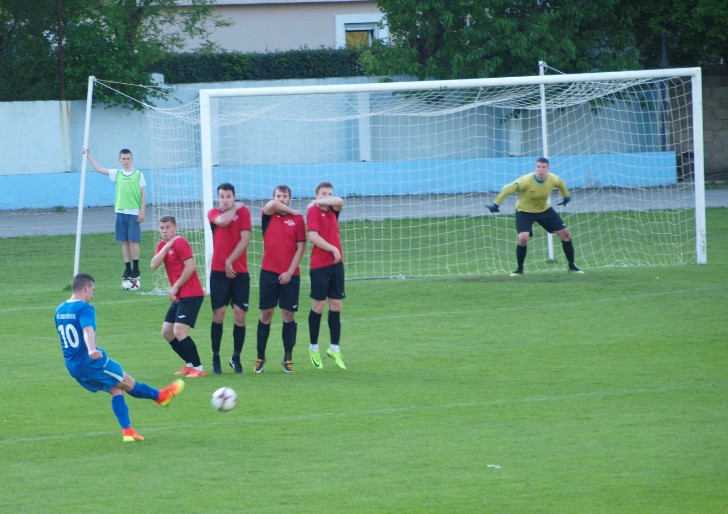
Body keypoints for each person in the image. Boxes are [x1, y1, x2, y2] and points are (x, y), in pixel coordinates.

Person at [54, 273, 184, 443]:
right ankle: (160, 396)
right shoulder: (84, 309)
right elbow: (88, 330)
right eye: (92, 290)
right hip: (91, 363)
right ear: (85, 288)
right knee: (128, 382)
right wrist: (92, 350)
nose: (92, 294)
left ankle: (128, 431)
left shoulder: (60, 310)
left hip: (73, 365)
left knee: (116, 389)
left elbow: (62, 339)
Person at [486, 157, 583, 276]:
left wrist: (566, 196)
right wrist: (496, 205)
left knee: (565, 234)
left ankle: (572, 266)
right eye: (538, 167)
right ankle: (519, 270)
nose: (540, 169)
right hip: (524, 211)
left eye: (543, 167)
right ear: (535, 168)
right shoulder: (525, 181)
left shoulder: (552, 179)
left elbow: (560, 184)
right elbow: (507, 189)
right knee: (523, 237)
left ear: (548, 169)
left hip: (544, 210)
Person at [254, 185, 306, 374]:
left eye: (285, 196)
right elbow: (271, 205)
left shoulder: (298, 220)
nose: (281, 199)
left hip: (291, 274)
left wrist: (290, 272)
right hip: (268, 273)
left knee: (288, 315)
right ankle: (260, 357)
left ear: (290, 198)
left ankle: (288, 357)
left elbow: (301, 247)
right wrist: (289, 210)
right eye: (278, 196)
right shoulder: (268, 215)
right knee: (266, 314)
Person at [150, 215, 207, 377]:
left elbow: (190, 267)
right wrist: (166, 246)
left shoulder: (181, 243)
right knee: (167, 332)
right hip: (180, 296)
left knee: (179, 330)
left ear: (175, 228)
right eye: (162, 228)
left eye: (168, 227)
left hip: (192, 293)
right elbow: (153, 265)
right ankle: (189, 364)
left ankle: (199, 369)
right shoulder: (163, 245)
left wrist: (176, 286)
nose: (165, 231)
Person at [83, 148, 146, 287]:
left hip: (133, 212)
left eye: (128, 158)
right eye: (123, 159)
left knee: (133, 241)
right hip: (120, 211)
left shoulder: (138, 174)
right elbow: (100, 169)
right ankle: (127, 268)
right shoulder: (117, 173)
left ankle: (136, 268)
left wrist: (142, 211)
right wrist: (88, 156)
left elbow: (143, 194)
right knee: (124, 241)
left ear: (132, 159)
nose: (126, 161)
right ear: (119, 160)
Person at [206, 183, 252, 374]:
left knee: (240, 315)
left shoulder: (244, 213)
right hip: (219, 272)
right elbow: (223, 221)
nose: (225, 200)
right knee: (219, 314)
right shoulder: (213, 213)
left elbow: (245, 239)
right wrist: (235, 208)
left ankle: (236, 357)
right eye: (222, 196)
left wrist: (230, 261)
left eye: (228, 196)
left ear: (234, 196)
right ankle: (215, 357)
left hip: (239, 272)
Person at [306, 181, 347, 370]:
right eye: (324, 193)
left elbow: (340, 201)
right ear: (317, 195)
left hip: (336, 265)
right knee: (318, 305)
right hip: (319, 265)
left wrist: (322, 200)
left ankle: (334, 348)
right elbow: (313, 237)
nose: (328, 197)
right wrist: (332, 249)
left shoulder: (334, 209)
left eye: (330, 193)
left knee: (336, 305)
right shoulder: (313, 211)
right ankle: (313, 347)